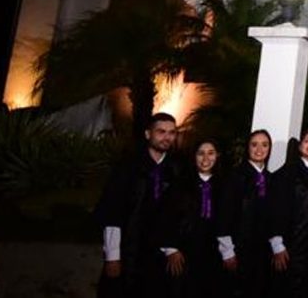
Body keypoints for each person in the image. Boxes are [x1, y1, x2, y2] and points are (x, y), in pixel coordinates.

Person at [95, 112, 186, 298]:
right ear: (147, 134)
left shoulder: (176, 170)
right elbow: (113, 211)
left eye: (171, 132)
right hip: (129, 249)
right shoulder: (128, 167)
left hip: (158, 254)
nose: (167, 137)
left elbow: (177, 212)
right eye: (161, 131)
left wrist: (172, 247)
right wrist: (113, 256)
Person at [268, 128, 308, 297]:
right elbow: (275, 208)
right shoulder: (287, 173)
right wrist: (277, 243)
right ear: (299, 146)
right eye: (307, 141)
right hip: (290, 245)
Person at [159, 139, 225, 298]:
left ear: (217, 156)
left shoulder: (224, 185)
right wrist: (171, 248)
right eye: (201, 153)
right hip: (183, 253)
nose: (205, 159)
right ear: (194, 156)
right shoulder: (180, 184)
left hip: (212, 253)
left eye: (211, 153)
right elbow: (165, 216)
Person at [216, 130, 273, 298]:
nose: (259, 149)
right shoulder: (235, 177)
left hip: (261, 251)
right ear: (247, 147)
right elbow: (224, 215)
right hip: (238, 248)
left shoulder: (270, 178)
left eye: (265, 145)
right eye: (254, 144)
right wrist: (227, 250)